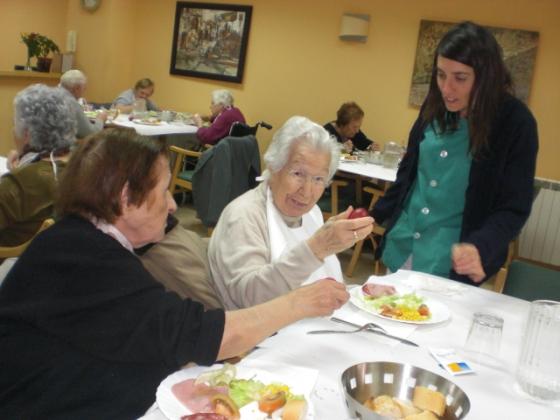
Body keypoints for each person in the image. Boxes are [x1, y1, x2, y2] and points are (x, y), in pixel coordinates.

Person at [0, 127, 349, 418]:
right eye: (164, 189)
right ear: (126, 198)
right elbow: (206, 334)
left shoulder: (84, 242)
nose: (172, 205)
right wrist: (299, 302)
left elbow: (148, 331)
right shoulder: (85, 259)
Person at [372, 21, 538, 285]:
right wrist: (372, 215)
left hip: (451, 263)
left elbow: (513, 207)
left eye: (460, 78)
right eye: (441, 75)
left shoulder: (515, 122)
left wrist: (481, 246)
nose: (447, 89)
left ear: (486, 77)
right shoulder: (434, 106)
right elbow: (407, 177)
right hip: (405, 246)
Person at [208, 116, 374, 310]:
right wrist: (317, 248)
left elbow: (323, 279)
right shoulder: (244, 215)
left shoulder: (312, 213)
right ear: (273, 166)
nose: (307, 192)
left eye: (319, 179)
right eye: (298, 174)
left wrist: (364, 296)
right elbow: (250, 298)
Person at [0, 84, 76, 247]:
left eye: (14, 123)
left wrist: (16, 176)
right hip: (58, 251)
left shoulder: (18, 184)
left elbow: (25, 188)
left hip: (12, 258)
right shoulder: (79, 165)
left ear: (27, 134)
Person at [59, 69, 107, 139]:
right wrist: (100, 119)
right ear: (77, 88)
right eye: (84, 88)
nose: (84, 91)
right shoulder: (72, 104)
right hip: (64, 144)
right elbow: (90, 133)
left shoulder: (52, 98)